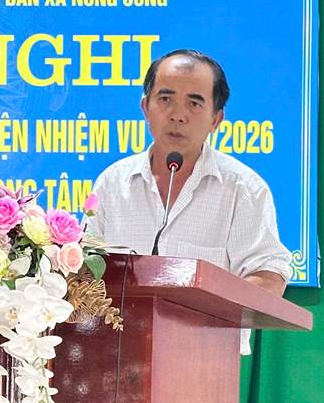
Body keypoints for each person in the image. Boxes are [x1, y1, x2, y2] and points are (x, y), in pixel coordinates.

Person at [86, 49, 292, 351]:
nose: (177, 115)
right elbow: (86, 268)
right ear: (145, 107)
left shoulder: (243, 188)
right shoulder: (112, 183)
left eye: (194, 103)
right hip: (114, 353)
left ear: (216, 119)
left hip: (206, 357)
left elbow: (269, 275)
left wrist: (207, 309)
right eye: (165, 99)